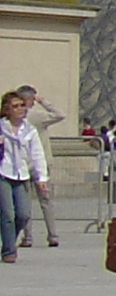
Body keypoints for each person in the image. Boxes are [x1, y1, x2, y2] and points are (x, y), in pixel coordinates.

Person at [0, 87, 51, 263]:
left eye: (22, 105)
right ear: (7, 110)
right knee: (7, 214)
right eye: (16, 106)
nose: (21, 109)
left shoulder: (29, 130)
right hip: (3, 174)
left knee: (22, 215)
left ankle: (8, 241)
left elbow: (37, 154)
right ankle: (8, 251)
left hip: (21, 175)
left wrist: (42, 177)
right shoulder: (1, 127)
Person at [14, 84, 63, 247]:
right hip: (42, 163)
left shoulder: (17, 118)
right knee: (46, 201)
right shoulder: (38, 116)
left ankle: (28, 237)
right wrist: (45, 102)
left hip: (24, 164)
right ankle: (53, 235)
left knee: (24, 202)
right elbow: (59, 115)